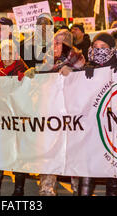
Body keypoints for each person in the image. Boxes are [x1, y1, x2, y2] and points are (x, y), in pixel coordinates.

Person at [25, 29, 85, 196]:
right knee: (49, 150)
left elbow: (87, 79)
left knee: (73, 152)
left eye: (59, 42)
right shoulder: (47, 59)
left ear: (68, 44)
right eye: (54, 41)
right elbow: (41, 79)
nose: (55, 45)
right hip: (50, 112)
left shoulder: (77, 59)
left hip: (71, 113)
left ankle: (77, 187)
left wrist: (72, 74)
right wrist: (33, 74)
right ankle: (47, 188)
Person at [78, 32, 117, 196]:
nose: (99, 51)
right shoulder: (88, 67)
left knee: (112, 172)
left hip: (113, 128)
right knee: (87, 169)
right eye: (96, 47)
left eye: (103, 48)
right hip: (92, 127)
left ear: (112, 49)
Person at [0, 39, 29, 196]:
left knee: (18, 153)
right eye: (3, 53)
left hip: (17, 118)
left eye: (10, 53)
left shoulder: (24, 70)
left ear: (16, 54)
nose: (6, 56)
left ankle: (19, 189)